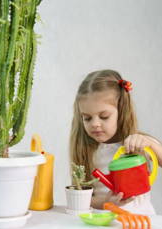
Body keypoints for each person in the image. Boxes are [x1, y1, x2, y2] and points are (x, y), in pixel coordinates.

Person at [69, 69, 162, 214]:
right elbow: (81, 196)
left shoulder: (141, 142)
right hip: (105, 226)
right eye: (87, 118)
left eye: (104, 116)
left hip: (142, 223)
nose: (95, 124)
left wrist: (151, 144)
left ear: (121, 112)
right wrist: (105, 202)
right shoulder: (86, 149)